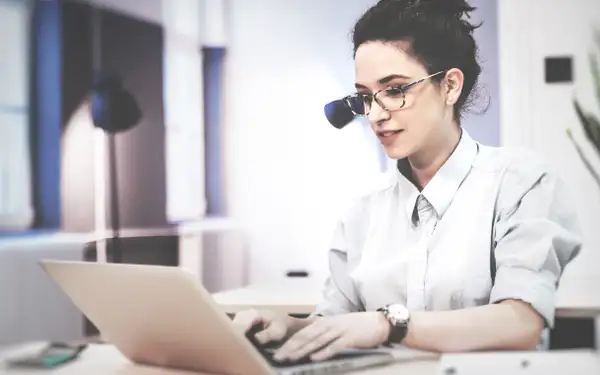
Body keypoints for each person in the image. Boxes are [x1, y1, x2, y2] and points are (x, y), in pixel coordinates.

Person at [233, 0, 582, 362]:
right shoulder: (363, 209)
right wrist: (288, 327)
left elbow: (521, 323)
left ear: (449, 86)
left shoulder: (521, 182)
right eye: (366, 97)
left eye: (395, 90)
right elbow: (339, 325)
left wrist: (390, 325)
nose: (375, 115)